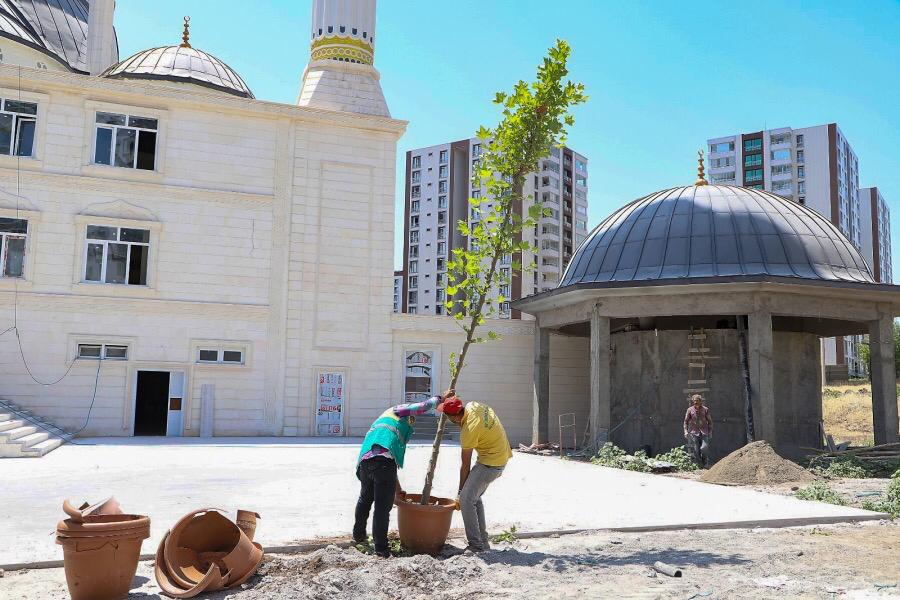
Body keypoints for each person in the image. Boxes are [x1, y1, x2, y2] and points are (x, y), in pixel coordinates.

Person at [353, 391, 448, 557]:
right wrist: (440, 399)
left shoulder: (382, 420)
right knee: (382, 508)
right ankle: (381, 549)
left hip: (365, 462)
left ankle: (358, 536)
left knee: (365, 500)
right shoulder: (398, 410)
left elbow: (388, 465)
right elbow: (424, 406)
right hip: (383, 465)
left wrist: (398, 490)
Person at [438, 393, 512, 553]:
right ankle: (483, 542)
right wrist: (447, 397)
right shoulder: (473, 405)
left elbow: (465, 465)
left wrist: (459, 493)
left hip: (491, 464)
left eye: (449, 418)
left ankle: (476, 545)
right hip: (500, 455)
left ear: (455, 417)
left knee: (466, 499)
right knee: (474, 498)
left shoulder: (468, 431)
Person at [683, 393, 713, 467]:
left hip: (704, 432)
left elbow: (710, 421)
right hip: (694, 432)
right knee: (697, 450)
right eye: (694, 401)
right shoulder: (690, 410)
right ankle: (700, 465)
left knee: (704, 448)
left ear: (700, 401)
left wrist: (710, 431)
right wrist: (686, 431)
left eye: (697, 401)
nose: (696, 402)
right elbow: (686, 421)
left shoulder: (705, 409)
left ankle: (705, 462)